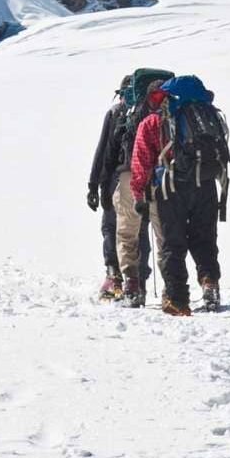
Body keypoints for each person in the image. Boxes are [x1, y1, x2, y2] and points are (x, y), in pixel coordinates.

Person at [130, 76, 230, 316]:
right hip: (205, 185)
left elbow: (140, 162)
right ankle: (209, 282)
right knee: (204, 238)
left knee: (172, 244)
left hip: (168, 190)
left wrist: (138, 195)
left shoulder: (152, 122)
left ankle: (177, 300)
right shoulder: (209, 115)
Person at [88, 76, 151, 300]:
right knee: (139, 230)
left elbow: (104, 151)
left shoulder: (117, 113)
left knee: (111, 227)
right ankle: (139, 282)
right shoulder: (151, 114)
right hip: (147, 179)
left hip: (117, 178)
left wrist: (94, 185)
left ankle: (115, 276)